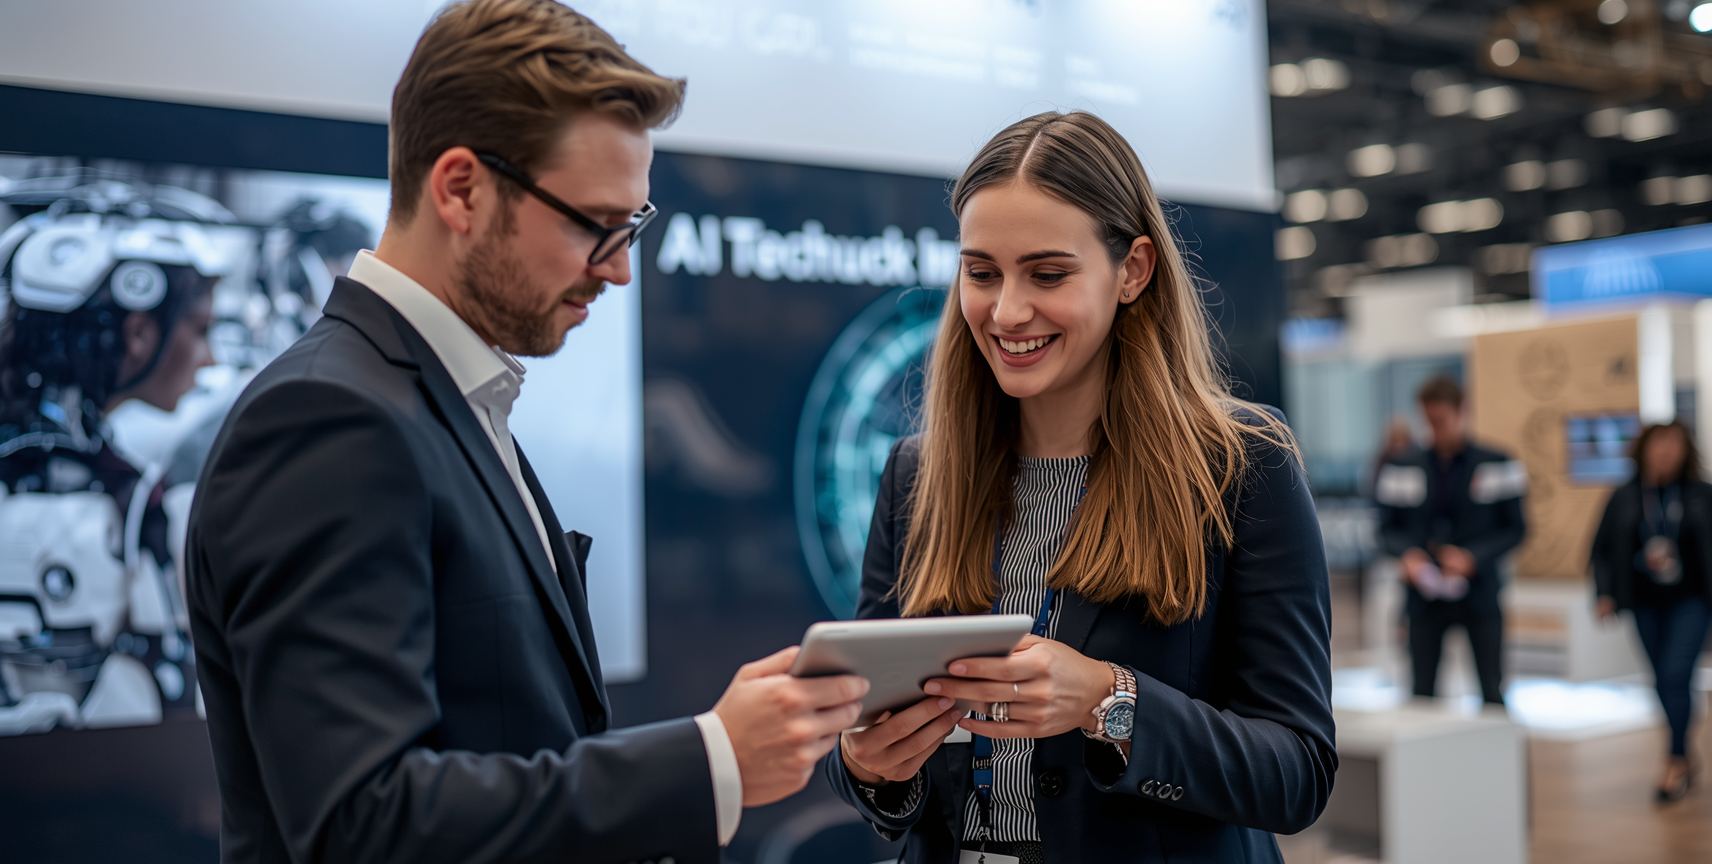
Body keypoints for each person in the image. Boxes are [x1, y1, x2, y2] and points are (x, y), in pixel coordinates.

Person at [185, 3, 866, 863]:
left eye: (634, 226)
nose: (620, 268)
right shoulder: (328, 420)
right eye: (595, 224)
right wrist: (710, 761)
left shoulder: (440, 399)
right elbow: (363, 824)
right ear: (461, 189)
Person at [823, 111, 1336, 864]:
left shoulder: (1239, 466)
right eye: (981, 273)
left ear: (1133, 270)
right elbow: (872, 756)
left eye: (1048, 274)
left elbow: (1297, 773)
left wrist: (1109, 701)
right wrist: (868, 765)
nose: (1006, 311)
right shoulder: (916, 474)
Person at [0, 180, 220, 735]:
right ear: (138, 332)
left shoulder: (113, 478)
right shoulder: (112, 495)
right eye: (201, 330)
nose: (211, 358)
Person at [1376, 375, 1525, 705]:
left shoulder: (1499, 462)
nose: (1434, 429)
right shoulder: (1401, 465)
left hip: (1480, 593)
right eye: (1428, 421)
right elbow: (1385, 529)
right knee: (1421, 694)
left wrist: (1472, 558)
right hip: (1423, 595)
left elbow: (1516, 529)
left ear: (1462, 412)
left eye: (1441, 421)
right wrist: (1408, 556)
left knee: (1492, 691)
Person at [1590, 421, 1712, 802]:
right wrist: (1605, 594)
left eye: (1674, 444)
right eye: (1659, 444)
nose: (1665, 451)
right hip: (1643, 602)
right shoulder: (1624, 497)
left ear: (1685, 451)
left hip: (1692, 600)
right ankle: (1684, 753)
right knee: (1662, 680)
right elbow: (1601, 551)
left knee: (1676, 674)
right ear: (1643, 449)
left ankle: (1674, 759)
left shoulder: (1701, 494)